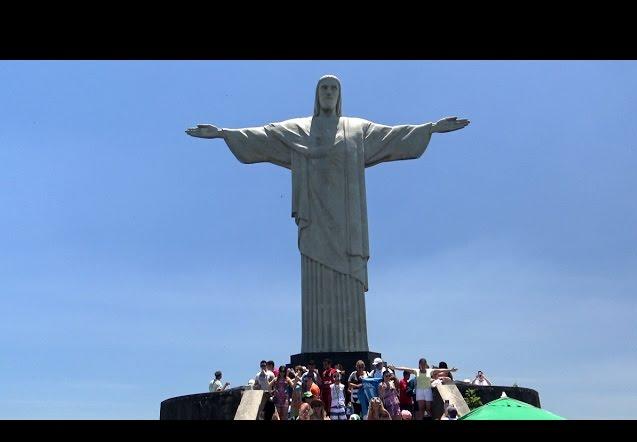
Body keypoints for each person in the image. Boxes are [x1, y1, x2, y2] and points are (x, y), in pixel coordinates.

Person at [186, 75, 469, 354]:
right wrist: (224, 133)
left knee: (349, 278)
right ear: (316, 94)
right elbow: (264, 136)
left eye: (334, 88)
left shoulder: (357, 129)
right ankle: (317, 346)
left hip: (348, 224)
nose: (329, 92)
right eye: (324, 87)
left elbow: (394, 135)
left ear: (340, 94)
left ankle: (353, 345)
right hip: (314, 222)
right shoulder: (298, 129)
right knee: (314, 275)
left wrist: (430, 128)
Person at [389, 358, 457, 420]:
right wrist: (395, 368)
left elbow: (441, 369)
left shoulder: (430, 371)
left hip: (427, 390)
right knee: (421, 409)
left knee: (428, 408)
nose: (423, 366)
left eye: (424, 364)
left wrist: (450, 370)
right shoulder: (416, 371)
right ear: (419, 365)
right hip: (419, 391)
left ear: (425, 364)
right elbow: (405, 368)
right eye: (421, 365)